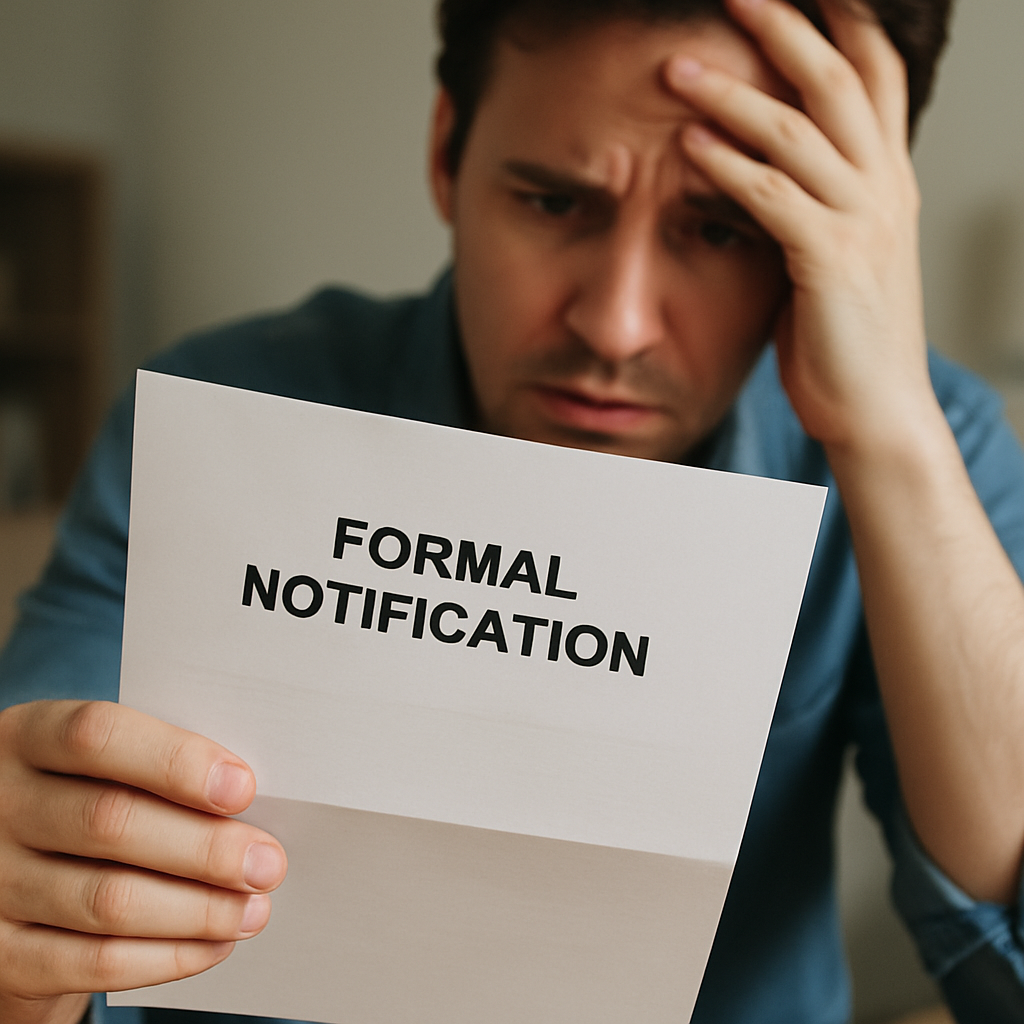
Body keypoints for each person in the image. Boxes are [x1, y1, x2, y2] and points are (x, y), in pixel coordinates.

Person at [0, 0, 1022, 1021]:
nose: (615, 324)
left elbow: (1002, 966)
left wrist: (889, 434)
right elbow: (47, 915)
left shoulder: (922, 452)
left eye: (720, 230)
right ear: (448, 150)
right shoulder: (224, 419)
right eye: (552, 202)